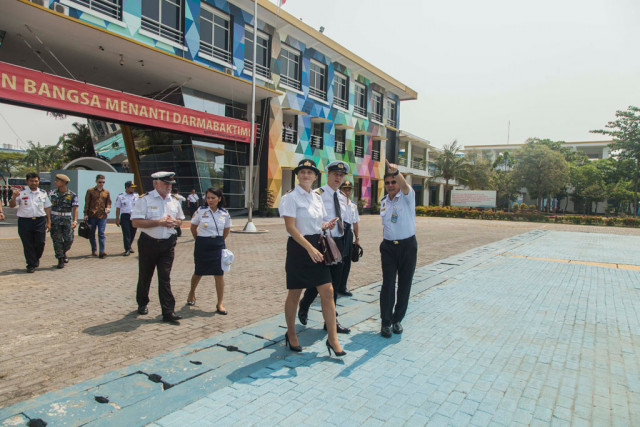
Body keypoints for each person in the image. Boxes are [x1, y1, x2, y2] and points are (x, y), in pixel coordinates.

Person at [279, 159, 345, 356]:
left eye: (310, 172)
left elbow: (318, 223)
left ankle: (332, 339)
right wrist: (309, 248)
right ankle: (291, 333)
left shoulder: (316, 198)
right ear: (298, 176)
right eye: (302, 172)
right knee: (295, 292)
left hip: (317, 246)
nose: (306, 175)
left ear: (316, 176)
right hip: (300, 249)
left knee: (328, 291)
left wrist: (326, 225)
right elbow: (291, 227)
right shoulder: (290, 198)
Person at [298, 160, 351, 334]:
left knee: (334, 284)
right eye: (335, 174)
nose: (338, 178)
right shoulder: (316, 194)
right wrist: (323, 225)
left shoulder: (343, 198)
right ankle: (305, 304)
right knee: (319, 280)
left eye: (341, 175)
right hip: (323, 242)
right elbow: (310, 219)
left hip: (340, 242)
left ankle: (330, 322)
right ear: (328, 174)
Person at [131, 171, 185, 324]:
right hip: (148, 243)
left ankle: (168, 312)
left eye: (170, 184)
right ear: (156, 183)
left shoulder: (174, 201)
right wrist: (159, 223)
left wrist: (175, 222)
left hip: (167, 244)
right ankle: (142, 302)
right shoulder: (145, 200)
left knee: (165, 277)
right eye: (166, 183)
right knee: (145, 275)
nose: (169, 186)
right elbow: (136, 222)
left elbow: (181, 219)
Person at [379, 159, 418, 338]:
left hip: (407, 247)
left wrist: (396, 173)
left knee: (404, 284)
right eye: (387, 183)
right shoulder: (384, 202)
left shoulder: (408, 196)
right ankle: (385, 322)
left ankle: (397, 320)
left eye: (393, 182)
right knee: (388, 284)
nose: (390, 185)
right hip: (388, 248)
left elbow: (403, 184)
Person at [187, 188, 231, 313]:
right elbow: (193, 227)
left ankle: (220, 303)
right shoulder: (201, 211)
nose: (210, 200)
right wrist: (198, 240)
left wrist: (220, 240)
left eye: (213, 198)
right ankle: (191, 293)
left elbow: (226, 229)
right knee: (198, 272)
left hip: (217, 245)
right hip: (202, 244)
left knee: (219, 274)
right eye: (208, 198)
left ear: (219, 199)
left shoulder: (224, 213)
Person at [10, 172, 51, 273]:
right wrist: (14, 197)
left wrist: (49, 222)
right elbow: (12, 205)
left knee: (40, 243)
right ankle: (31, 264)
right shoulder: (21, 192)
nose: (34, 183)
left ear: (38, 182)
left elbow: (47, 208)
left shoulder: (43, 193)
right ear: (27, 181)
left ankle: (35, 259)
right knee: (28, 244)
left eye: (36, 181)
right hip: (25, 221)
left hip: (40, 221)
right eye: (31, 181)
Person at [49, 174, 78, 269]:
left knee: (68, 239)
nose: (55, 182)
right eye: (55, 180)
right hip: (55, 219)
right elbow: (47, 208)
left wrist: (75, 221)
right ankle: (60, 259)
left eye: (58, 180)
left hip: (66, 220)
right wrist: (48, 221)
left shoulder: (72, 195)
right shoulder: (52, 193)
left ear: (64, 182)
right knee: (57, 240)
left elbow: (75, 208)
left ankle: (63, 252)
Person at [338, 180, 360, 296]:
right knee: (338, 262)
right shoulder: (337, 203)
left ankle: (343, 287)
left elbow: (355, 222)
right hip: (339, 234)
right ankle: (334, 287)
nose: (347, 191)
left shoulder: (353, 205)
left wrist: (357, 238)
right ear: (340, 190)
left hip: (349, 234)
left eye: (349, 189)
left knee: (347, 262)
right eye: (345, 189)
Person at [84, 174, 111, 258]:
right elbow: (87, 203)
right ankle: (94, 250)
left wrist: (108, 208)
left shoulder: (106, 192)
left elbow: (109, 202)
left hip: (102, 216)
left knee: (101, 233)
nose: (101, 184)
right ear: (96, 181)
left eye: (103, 182)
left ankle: (102, 251)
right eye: (100, 182)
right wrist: (85, 214)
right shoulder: (90, 191)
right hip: (92, 215)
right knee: (92, 233)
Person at [115, 181, 139, 256]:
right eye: (131, 187)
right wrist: (117, 219)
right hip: (125, 216)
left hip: (134, 216)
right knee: (126, 233)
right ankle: (127, 249)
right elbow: (118, 208)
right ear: (127, 187)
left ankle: (129, 246)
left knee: (133, 232)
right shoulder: (121, 196)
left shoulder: (136, 195)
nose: (133, 189)